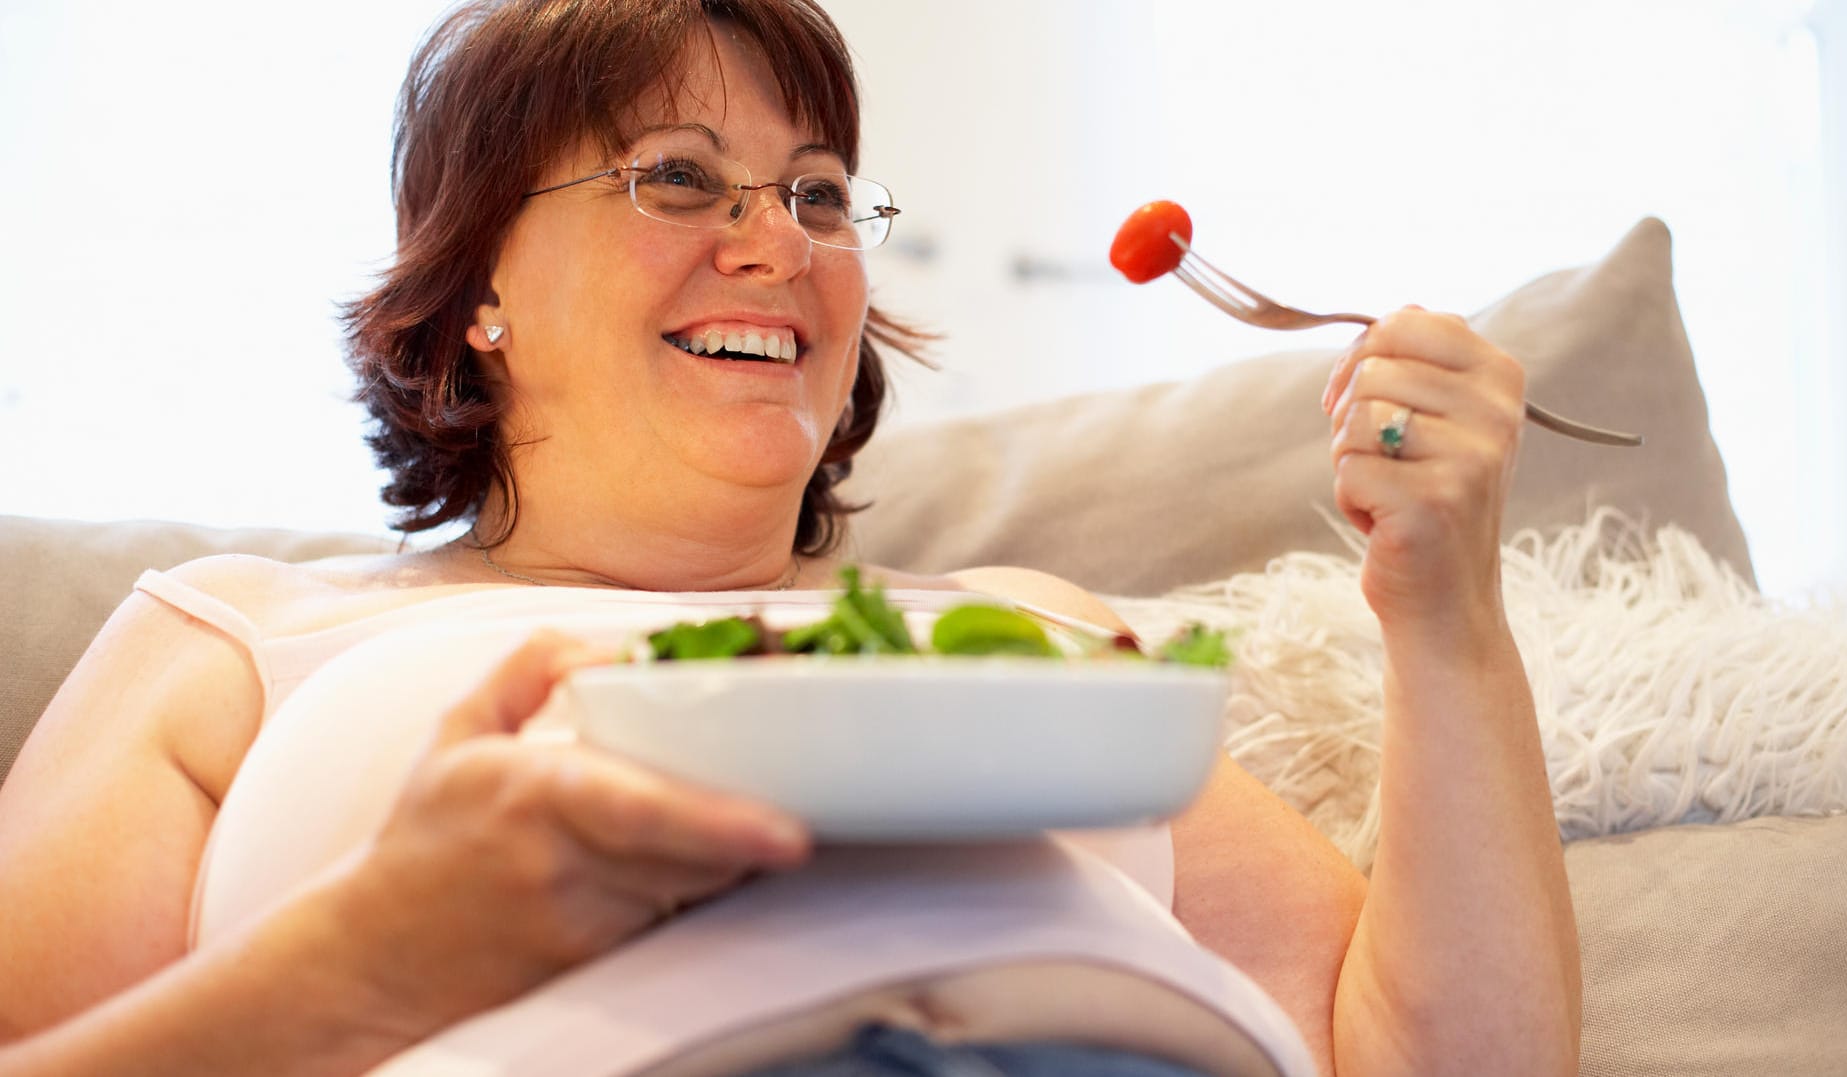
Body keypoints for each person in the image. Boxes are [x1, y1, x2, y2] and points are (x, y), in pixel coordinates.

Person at [0, 1, 1579, 1074]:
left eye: (819, 197)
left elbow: (1438, 1058)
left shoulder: (1031, 632)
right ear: (477, 286)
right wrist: (372, 957)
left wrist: (1444, 616)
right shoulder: (236, 639)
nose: (777, 244)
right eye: (680, 177)